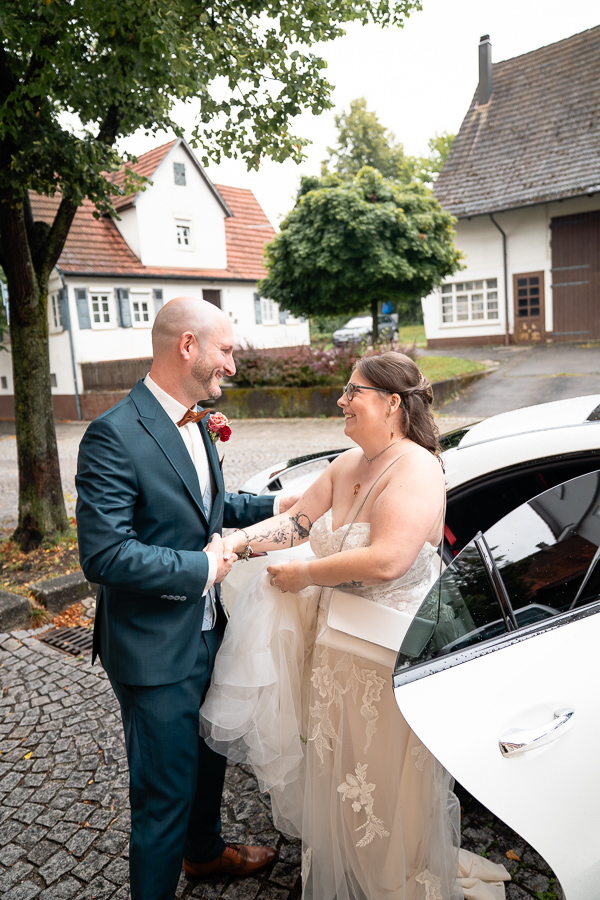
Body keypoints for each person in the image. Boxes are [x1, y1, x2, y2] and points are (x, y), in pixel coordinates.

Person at [201, 352, 510, 900]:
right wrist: (237, 543)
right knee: (340, 771)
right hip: (334, 652)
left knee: (387, 782)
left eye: (353, 392)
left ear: (392, 404)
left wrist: (306, 576)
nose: (341, 400)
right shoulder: (347, 463)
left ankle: (393, 882)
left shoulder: (417, 469)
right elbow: (297, 523)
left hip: (389, 661)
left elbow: (388, 560)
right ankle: (349, 874)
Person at [76, 297, 297, 900]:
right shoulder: (113, 434)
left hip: (210, 631)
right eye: (226, 349)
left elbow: (208, 508)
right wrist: (202, 566)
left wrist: (279, 507)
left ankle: (202, 856)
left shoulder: (196, 419)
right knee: (163, 794)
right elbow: (104, 555)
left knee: (208, 762)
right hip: (153, 647)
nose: (233, 361)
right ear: (188, 347)